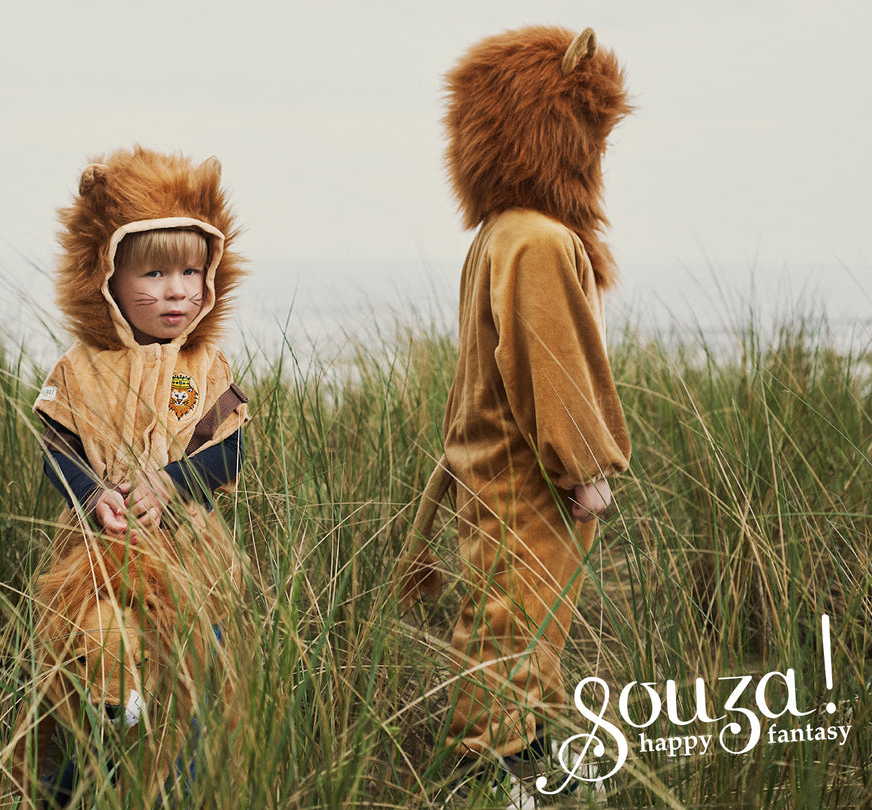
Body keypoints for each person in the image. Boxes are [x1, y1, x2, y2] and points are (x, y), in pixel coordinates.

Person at [399, 25, 633, 801]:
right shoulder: (535, 239)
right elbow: (548, 363)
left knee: (512, 628)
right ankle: (496, 774)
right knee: (512, 634)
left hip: (491, 472)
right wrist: (584, 469)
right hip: (526, 482)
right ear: (556, 134)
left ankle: (511, 764)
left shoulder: (501, 234)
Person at [18, 145, 249, 805]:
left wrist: (174, 482)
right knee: (99, 691)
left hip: (188, 562)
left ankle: (180, 787)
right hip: (98, 556)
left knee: (194, 687)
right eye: (152, 274)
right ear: (106, 278)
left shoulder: (207, 368)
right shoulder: (80, 367)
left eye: (191, 272)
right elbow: (55, 447)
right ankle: (71, 789)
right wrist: (91, 492)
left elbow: (228, 453)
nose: (176, 291)